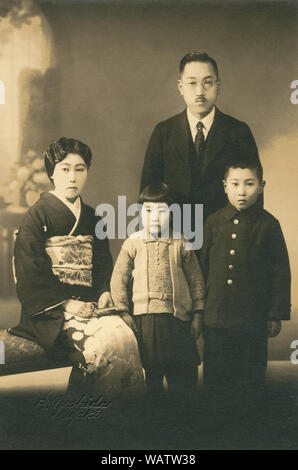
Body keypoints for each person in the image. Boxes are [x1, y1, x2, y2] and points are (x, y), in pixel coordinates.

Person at [11, 137, 144, 400]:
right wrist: (67, 304)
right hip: (51, 313)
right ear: (51, 172)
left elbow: (103, 263)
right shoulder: (36, 216)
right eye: (64, 168)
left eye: (80, 169)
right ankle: (86, 415)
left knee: (125, 336)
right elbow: (30, 272)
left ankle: (117, 420)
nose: (72, 177)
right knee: (103, 345)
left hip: (90, 304)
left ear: (87, 172)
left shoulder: (93, 216)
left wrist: (105, 292)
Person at [199, 159, 291, 425]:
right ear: (224, 186)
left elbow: (280, 273)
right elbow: (202, 268)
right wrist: (199, 307)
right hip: (216, 316)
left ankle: (248, 426)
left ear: (261, 187)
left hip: (253, 318)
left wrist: (274, 314)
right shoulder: (214, 222)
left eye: (249, 184)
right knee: (216, 372)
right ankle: (216, 424)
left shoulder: (268, 225)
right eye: (235, 184)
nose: (242, 191)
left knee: (250, 374)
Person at [110, 182, 205, 417]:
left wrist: (197, 314)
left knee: (182, 376)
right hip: (145, 322)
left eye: (161, 210)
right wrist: (123, 312)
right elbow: (118, 280)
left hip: (177, 321)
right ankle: (154, 422)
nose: (154, 217)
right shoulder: (133, 242)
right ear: (140, 212)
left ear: (172, 213)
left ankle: (182, 421)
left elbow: (196, 281)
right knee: (151, 374)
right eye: (148, 210)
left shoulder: (182, 242)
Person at [140, 52, 262, 221]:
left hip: (224, 235)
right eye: (192, 83)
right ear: (181, 87)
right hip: (174, 234)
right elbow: (148, 192)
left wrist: (249, 236)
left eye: (208, 83)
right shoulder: (164, 132)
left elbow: (253, 190)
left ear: (218, 86)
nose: (200, 91)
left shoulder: (238, 132)